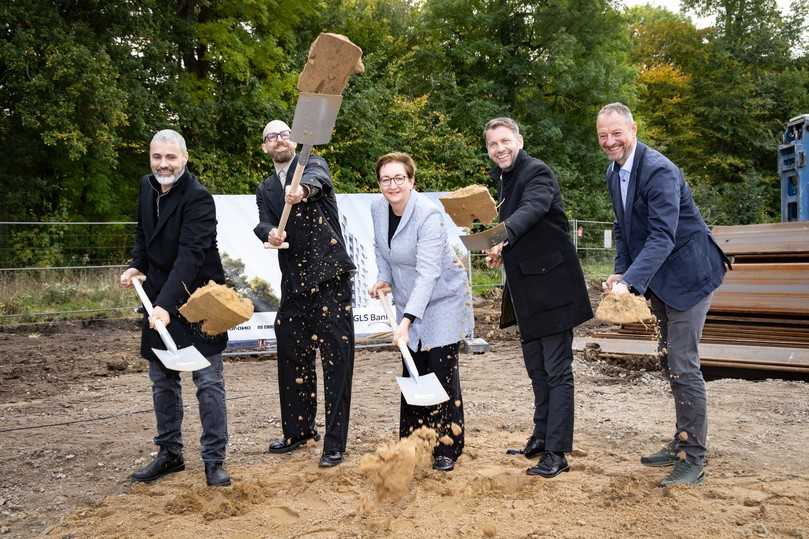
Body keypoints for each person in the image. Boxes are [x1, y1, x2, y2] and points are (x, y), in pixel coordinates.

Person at [596, 103, 729, 486]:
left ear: (634, 130)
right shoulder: (614, 172)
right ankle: (681, 440)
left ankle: (693, 458)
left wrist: (630, 283)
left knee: (683, 365)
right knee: (669, 359)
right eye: (603, 135)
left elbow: (662, 236)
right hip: (660, 277)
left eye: (617, 133)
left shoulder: (659, 170)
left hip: (689, 276)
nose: (610, 141)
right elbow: (623, 229)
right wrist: (621, 270)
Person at [119, 129, 231, 487]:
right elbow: (143, 233)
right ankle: (170, 453)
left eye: (170, 157)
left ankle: (214, 460)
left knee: (208, 381)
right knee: (162, 380)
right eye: (157, 157)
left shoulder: (199, 199)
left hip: (198, 299)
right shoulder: (146, 186)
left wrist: (166, 307)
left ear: (184, 158)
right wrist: (137, 264)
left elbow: (189, 258)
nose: (163, 164)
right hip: (157, 295)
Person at [483, 117, 593, 478]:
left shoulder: (537, 172)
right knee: (537, 369)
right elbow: (523, 231)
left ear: (519, 140)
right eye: (493, 144)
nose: (500, 148)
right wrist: (501, 249)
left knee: (557, 371)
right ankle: (541, 436)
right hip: (527, 292)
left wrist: (501, 235)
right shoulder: (504, 179)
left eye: (505, 141)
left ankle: (557, 452)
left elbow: (532, 210)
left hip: (554, 289)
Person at [253, 119, 356, 468]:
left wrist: (302, 191)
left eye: (284, 133)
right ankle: (298, 431)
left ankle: (334, 443)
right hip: (294, 282)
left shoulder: (311, 163)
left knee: (336, 359)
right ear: (265, 147)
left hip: (330, 278)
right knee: (291, 353)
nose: (279, 139)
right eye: (271, 137)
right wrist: (270, 233)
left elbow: (317, 181)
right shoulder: (266, 188)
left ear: (294, 140)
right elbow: (263, 221)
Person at [368, 152, 472, 472]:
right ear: (379, 184)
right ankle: (412, 442)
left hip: (442, 298)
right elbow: (381, 249)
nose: (393, 185)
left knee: (440, 368)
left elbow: (428, 274)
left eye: (399, 178)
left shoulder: (428, 214)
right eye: (386, 179)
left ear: (412, 181)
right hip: (408, 297)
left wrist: (407, 321)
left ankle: (447, 446)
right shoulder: (378, 209)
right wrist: (383, 278)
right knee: (413, 368)